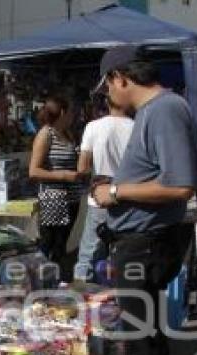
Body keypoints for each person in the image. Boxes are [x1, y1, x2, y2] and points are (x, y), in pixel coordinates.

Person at [89, 46, 197, 355]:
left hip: (147, 242)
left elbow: (180, 185)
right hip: (146, 238)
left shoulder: (164, 109)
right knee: (148, 336)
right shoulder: (159, 111)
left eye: (106, 87)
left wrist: (115, 192)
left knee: (140, 343)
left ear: (120, 78)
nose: (106, 95)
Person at [74, 94, 134, 281]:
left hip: (99, 198)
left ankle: (83, 298)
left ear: (107, 103)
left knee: (89, 255)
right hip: (128, 197)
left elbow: (82, 168)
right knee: (125, 255)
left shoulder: (93, 127)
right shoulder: (137, 128)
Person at [29, 96, 86, 282]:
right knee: (49, 246)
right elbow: (34, 171)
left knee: (61, 246)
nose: (73, 116)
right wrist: (62, 175)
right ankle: (41, 284)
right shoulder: (46, 134)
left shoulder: (68, 134)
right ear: (63, 112)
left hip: (72, 199)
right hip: (53, 198)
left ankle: (56, 284)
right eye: (70, 112)